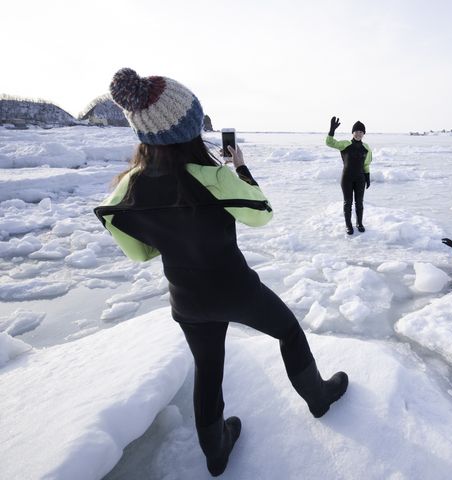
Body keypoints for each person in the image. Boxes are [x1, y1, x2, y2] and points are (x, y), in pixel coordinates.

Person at [94, 68, 348, 477]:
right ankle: (318, 398)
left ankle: (216, 451)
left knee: (208, 369)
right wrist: (240, 171)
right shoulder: (212, 177)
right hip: (236, 289)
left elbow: (140, 254)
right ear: (191, 126)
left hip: (187, 299)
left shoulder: (125, 190)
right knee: (288, 332)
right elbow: (260, 214)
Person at [325, 116, 373, 235]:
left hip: (360, 178)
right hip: (347, 178)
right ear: (353, 132)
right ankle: (348, 225)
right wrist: (332, 131)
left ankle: (359, 223)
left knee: (359, 202)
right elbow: (330, 143)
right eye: (356, 131)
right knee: (348, 202)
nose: (358, 134)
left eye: (361, 132)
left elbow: (366, 164)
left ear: (364, 134)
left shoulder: (366, 148)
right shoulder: (345, 144)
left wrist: (367, 177)